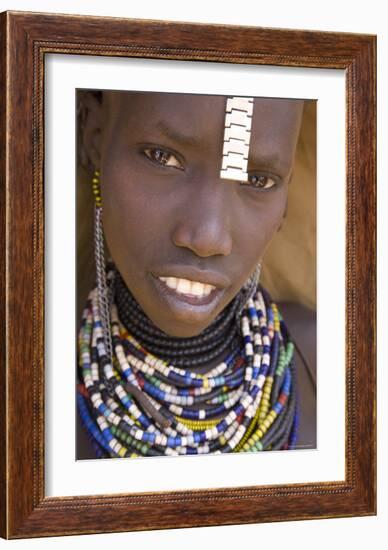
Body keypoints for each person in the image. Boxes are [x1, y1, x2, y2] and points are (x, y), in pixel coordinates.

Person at [76, 90, 316, 459]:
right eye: (163, 157)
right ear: (94, 139)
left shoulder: (331, 361)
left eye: (259, 180)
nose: (208, 238)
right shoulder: (16, 383)